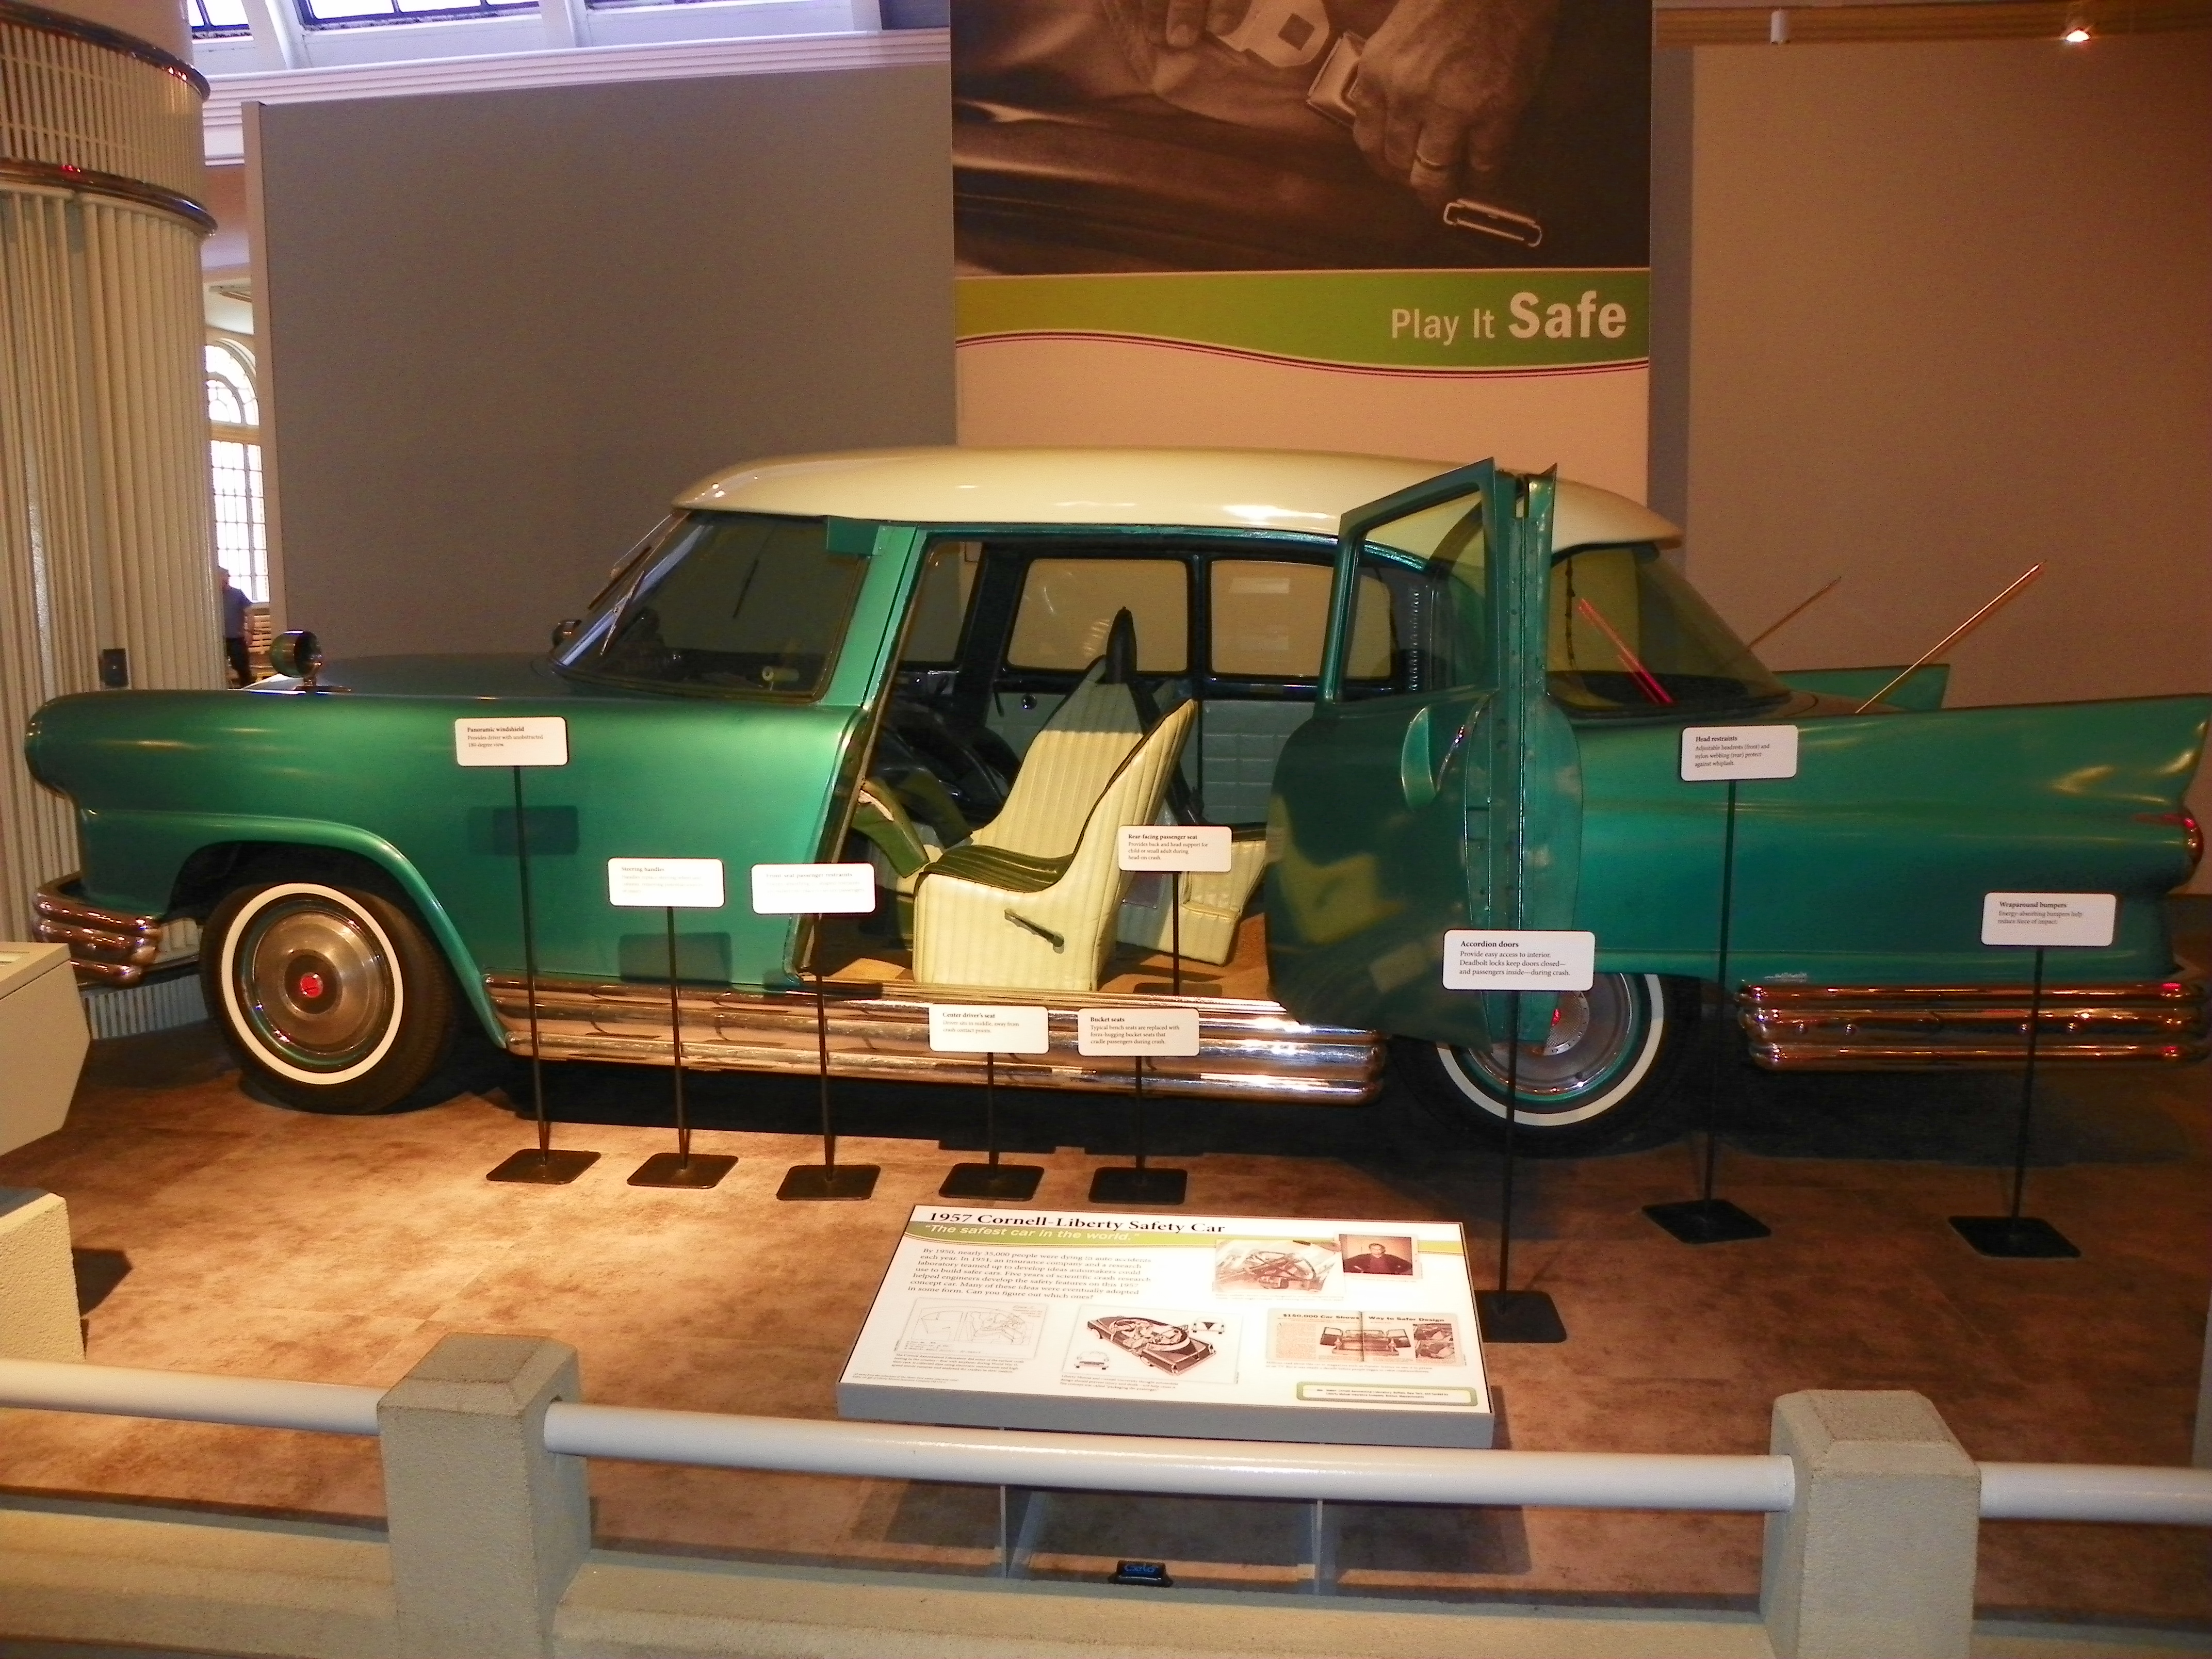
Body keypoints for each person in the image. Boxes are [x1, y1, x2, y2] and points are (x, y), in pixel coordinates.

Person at [221, 575, 250, 686]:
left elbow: (250, 613)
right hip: (219, 640)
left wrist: (249, 631)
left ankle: (247, 688)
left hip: (236, 638)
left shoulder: (238, 594)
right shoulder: (213, 595)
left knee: (242, 666)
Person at [1344, 1240, 1413, 1274]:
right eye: (1374, 1249)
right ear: (1370, 1250)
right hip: (1368, 1280)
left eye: (1379, 1249)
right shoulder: (1362, 1257)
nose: (1377, 1251)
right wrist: (1359, 1271)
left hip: (1388, 1279)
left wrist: (1397, 1272)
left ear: (1383, 1250)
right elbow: (1345, 1263)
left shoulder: (1391, 1258)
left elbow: (1408, 1265)